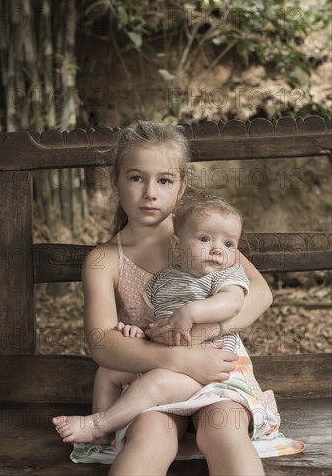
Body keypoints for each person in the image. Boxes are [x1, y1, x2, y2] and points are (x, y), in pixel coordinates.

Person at [52, 121, 303, 476]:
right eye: (137, 178)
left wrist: (210, 329)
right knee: (149, 435)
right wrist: (181, 359)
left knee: (225, 428)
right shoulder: (104, 260)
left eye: (164, 181)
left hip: (217, 371)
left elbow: (260, 293)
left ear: (181, 186)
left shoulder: (202, 238)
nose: (150, 193)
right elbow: (101, 343)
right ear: (115, 181)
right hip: (153, 380)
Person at [53, 194, 251, 445]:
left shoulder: (226, 274)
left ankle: (98, 424)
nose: (217, 250)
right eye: (204, 239)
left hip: (211, 368)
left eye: (229, 244)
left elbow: (232, 304)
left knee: (154, 382)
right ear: (178, 246)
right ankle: (104, 436)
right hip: (169, 362)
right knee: (108, 372)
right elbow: (149, 321)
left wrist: (191, 312)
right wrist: (138, 332)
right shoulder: (163, 279)